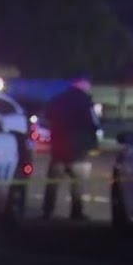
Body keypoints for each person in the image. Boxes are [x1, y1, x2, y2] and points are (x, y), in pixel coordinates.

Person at [41, 76, 99, 220]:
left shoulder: (57, 100)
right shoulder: (86, 102)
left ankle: (47, 212)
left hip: (59, 147)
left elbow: (46, 119)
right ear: (83, 85)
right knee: (78, 184)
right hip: (79, 149)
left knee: (53, 183)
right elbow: (95, 123)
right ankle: (76, 213)